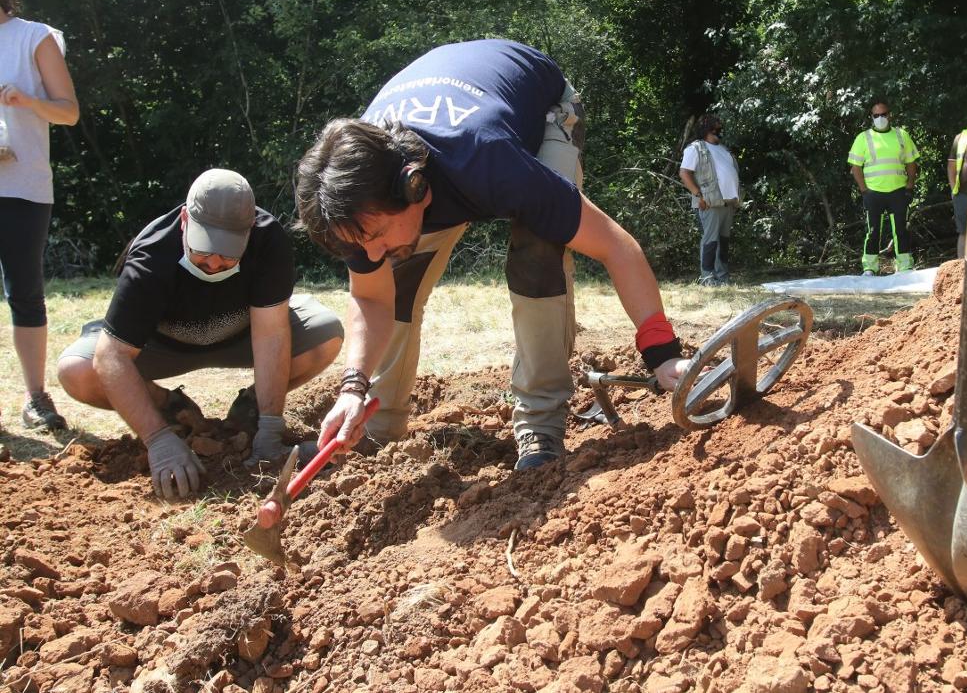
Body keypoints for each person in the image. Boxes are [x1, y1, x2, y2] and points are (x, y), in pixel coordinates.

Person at [293, 39, 689, 472]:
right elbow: (371, 299)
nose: (370, 254)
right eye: (357, 244)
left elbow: (615, 245)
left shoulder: (490, 161)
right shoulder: (356, 193)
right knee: (398, 276)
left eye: (376, 235)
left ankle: (541, 426)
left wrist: (662, 352)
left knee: (540, 251)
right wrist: (353, 389)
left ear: (415, 187)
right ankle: (376, 428)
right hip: (451, 121)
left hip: (542, 106)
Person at [57, 170, 344, 498]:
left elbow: (271, 335)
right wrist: (157, 440)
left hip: (240, 339)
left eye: (227, 252)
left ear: (249, 231)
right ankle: (171, 413)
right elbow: (113, 355)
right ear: (184, 221)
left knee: (325, 333)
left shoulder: (268, 240)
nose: (214, 262)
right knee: (77, 371)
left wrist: (270, 428)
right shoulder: (151, 257)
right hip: (162, 346)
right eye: (204, 249)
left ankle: (249, 414)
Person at [0, 0, 80, 432]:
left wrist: (27, 101)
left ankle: (36, 399)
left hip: (23, 186)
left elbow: (68, 112)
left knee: (25, 293)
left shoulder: (35, 39)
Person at [847, 98, 918, 275]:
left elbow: (911, 163)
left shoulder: (902, 135)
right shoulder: (863, 138)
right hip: (873, 193)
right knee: (872, 231)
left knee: (901, 230)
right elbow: (855, 167)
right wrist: (864, 190)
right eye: (876, 115)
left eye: (883, 114)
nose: (880, 118)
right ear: (871, 117)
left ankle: (904, 266)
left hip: (898, 191)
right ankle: (870, 267)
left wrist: (910, 186)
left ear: (890, 115)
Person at [679, 114, 740, 287]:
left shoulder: (724, 149)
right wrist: (698, 195)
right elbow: (684, 172)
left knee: (723, 241)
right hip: (709, 202)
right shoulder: (695, 148)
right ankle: (707, 278)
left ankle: (722, 277)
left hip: (728, 202)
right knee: (710, 240)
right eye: (716, 127)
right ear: (707, 129)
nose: (720, 130)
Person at [948, 103, 967, 259]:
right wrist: (954, 190)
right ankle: (960, 267)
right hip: (963, 193)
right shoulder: (961, 138)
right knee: (964, 231)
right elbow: (951, 164)